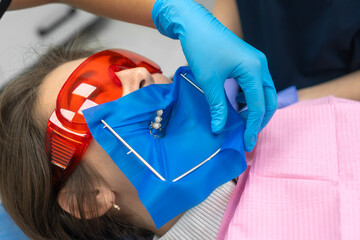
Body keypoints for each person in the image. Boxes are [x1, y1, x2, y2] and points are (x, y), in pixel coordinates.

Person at [0, 42, 240, 240]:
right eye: (97, 95)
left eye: (127, 63)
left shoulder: (258, 114)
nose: (141, 74)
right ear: (88, 197)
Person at [0, 0, 278, 152]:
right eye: (92, 98)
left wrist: (175, 11)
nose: (140, 72)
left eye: (119, 65)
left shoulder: (285, 113)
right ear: (87, 199)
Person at [213, 0, 360, 102]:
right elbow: (231, 8)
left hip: (338, 106)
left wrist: (297, 99)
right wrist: (222, 73)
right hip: (251, 101)